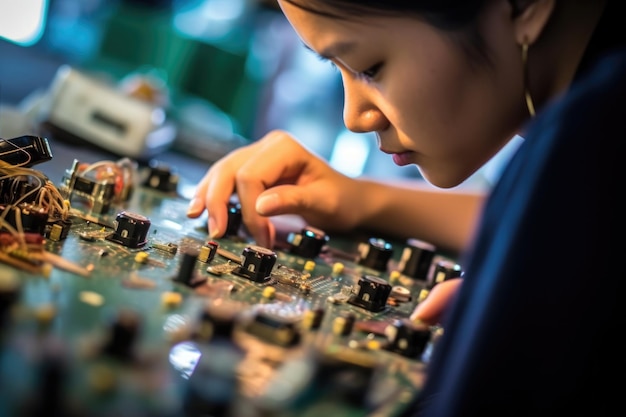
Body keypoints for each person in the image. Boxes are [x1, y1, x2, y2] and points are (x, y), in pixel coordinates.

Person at [187, 0, 625, 415]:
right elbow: (548, 220)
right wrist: (363, 200)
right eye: (335, 68)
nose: (354, 117)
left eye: (369, 68)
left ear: (524, 6)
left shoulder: (596, 128)